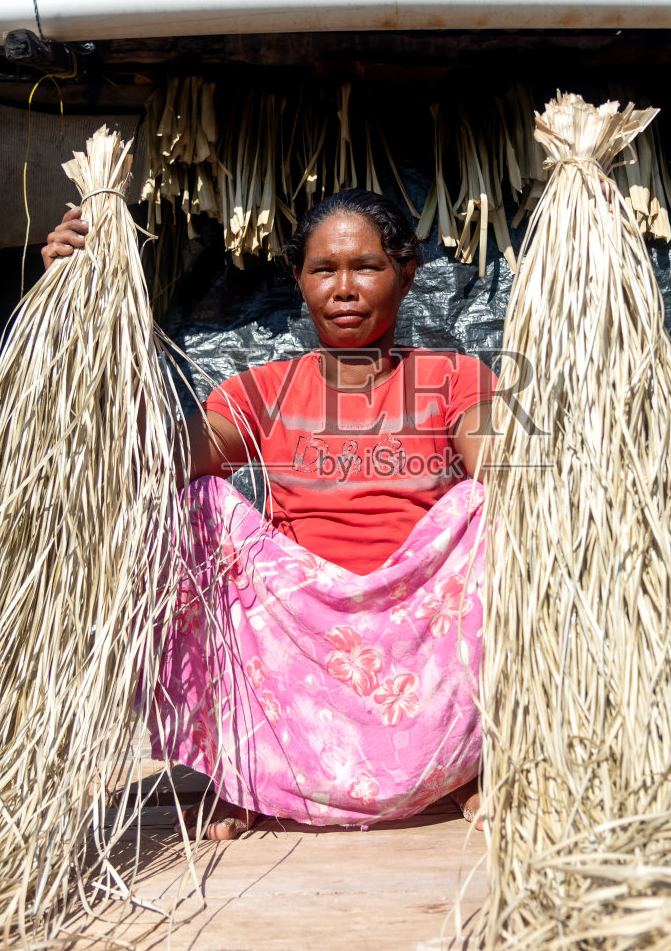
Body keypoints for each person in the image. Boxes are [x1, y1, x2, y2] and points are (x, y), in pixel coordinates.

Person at [44, 189, 493, 839]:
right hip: (300, 645)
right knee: (197, 505)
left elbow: (497, 469)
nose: (343, 288)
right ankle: (248, 765)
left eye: (366, 266)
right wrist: (83, 310)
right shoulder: (264, 391)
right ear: (299, 280)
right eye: (323, 269)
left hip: (424, 644)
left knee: (494, 506)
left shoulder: (453, 378)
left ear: (407, 273)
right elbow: (155, 460)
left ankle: (469, 754)